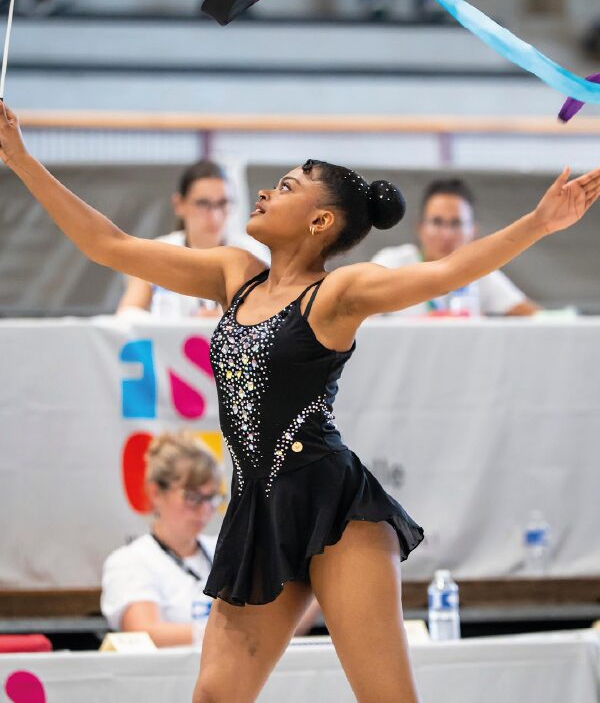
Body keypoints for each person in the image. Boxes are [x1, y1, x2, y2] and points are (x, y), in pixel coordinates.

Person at [2, 103, 599, 703]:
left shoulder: (338, 292)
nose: (262, 190)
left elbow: (445, 274)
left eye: (285, 186)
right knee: (214, 696)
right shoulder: (235, 274)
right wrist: (22, 159)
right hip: (258, 507)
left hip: (334, 508)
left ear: (319, 222)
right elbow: (110, 245)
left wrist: (539, 224)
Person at [101, 431, 223, 646]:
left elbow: (274, 624)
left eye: (211, 497)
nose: (205, 510)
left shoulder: (223, 551)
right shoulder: (131, 561)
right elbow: (144, 632)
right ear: (155, 492)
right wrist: (233, 635)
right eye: (192, 497)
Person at [116, 159, 268, 318]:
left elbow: (273, 312)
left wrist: (228, 318)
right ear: (179, 204)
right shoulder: (157, 252)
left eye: (223, 203)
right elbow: (127, 313)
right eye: (203, 204)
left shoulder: (253, 253)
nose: (215, 215)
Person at [372, 178, 539, 316]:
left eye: (456, 223)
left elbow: (534, 317)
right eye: (437, 222)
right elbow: (358, 320)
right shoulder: (391, 264)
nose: (446, 234)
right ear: (420, 228)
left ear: (473, 231)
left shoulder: (482, 271)